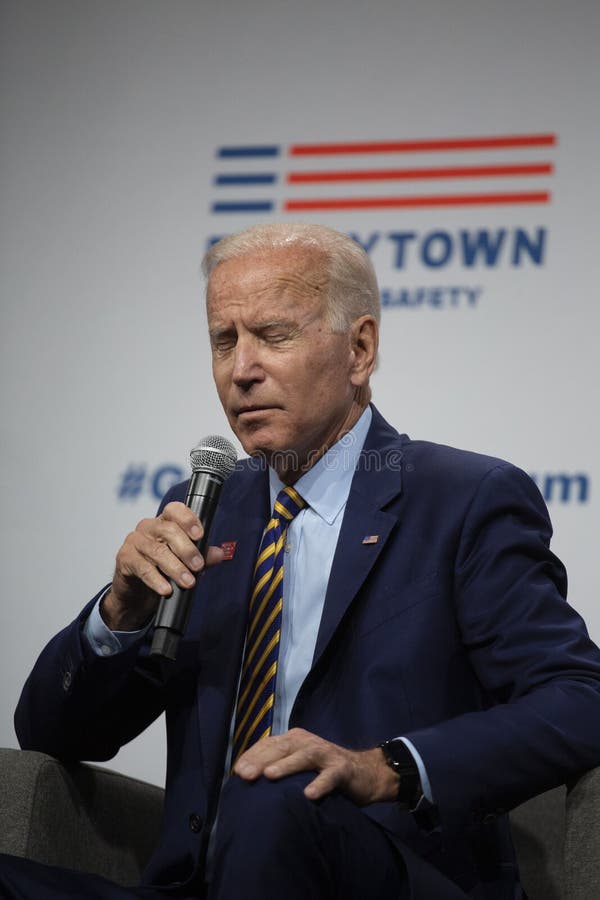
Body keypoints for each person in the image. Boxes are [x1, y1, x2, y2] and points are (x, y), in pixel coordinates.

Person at [2, 222, 600, 900]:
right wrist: (120, 614)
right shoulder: (204, 511)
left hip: (378, 872)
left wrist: (387, 768)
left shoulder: (462, 501)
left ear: (360, 349)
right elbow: (51, 734)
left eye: (273, 336)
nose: (241, 369)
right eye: (224, 341)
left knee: (271, 792)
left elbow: (581, 701)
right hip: (196, 886)